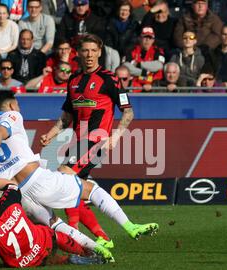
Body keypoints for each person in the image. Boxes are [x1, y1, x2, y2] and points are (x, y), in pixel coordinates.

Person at [0, 90, 158, 263]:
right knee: (91, 189)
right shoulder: (12, 115)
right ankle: (130, 226)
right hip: (36, 180)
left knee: (54, 223)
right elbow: (0, 132)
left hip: (17, 194)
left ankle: (97, 249)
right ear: (12, 104)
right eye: (18, 105)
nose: (19, 108)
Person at [40, 34, 156, 248]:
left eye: (94, 50)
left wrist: (116, 136)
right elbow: (67, 116)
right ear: (79, 53)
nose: (90, 55)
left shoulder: (109, 79)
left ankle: (73, 236)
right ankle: (106, 236)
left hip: (96, 139)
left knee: (63, 180)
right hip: (78, 142)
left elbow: (128, 112)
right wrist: (51, 133)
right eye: (85, 50)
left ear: (100, 52)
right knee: (75, 189)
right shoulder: (73, 81)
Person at [123, 26, 165, 92]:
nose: (147, 40)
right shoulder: (131, 50)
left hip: (154, 84)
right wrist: (143, 72)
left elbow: (159, 65)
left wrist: (139, 64)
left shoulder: (158, 51)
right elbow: (125, 66)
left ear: (153, 40)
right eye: (145, 37)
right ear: (139, 38)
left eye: (150, 38)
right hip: (135, 84)